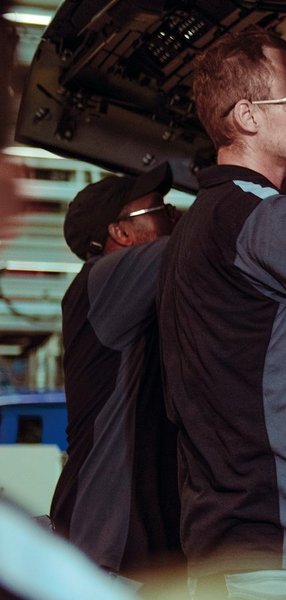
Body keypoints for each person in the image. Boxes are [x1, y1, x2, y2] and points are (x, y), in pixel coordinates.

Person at [156, 27, 286, 600]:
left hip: (226, 547)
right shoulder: (269, 217)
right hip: (278, 553)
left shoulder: (199, 223)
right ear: (248, 116)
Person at [51, 164, 182, 595]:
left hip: (135, 547)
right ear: (121, 233)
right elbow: (201, 240)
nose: (174, 214)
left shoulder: (134, 294)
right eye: (159, 209)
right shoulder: (105, 277)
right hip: (109, 545)